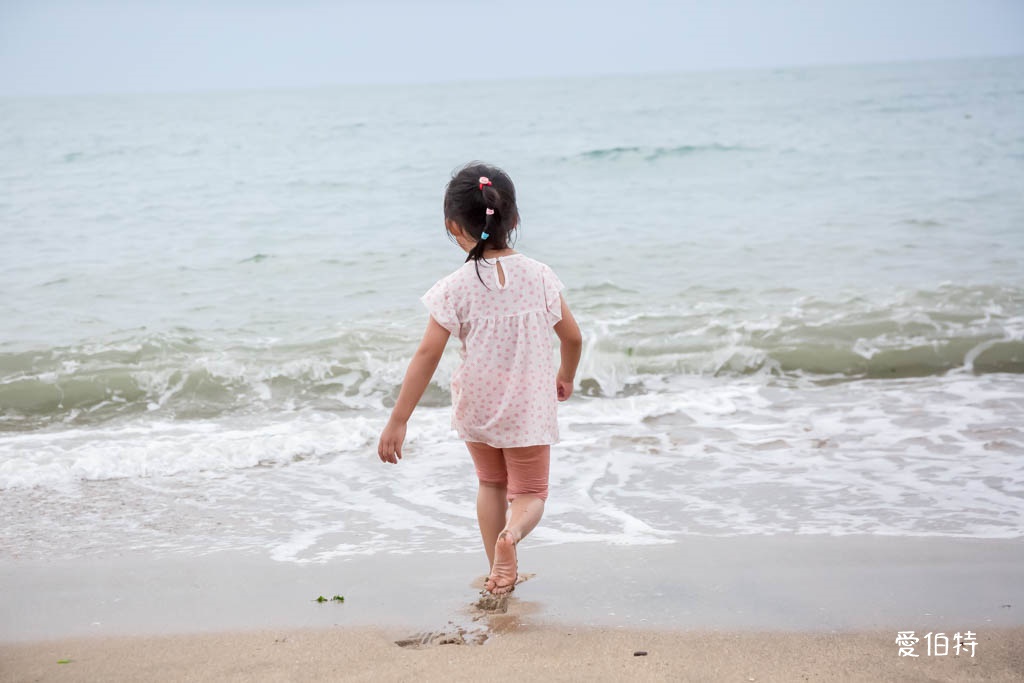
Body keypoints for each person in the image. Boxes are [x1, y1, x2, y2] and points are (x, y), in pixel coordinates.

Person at [377, 161, 583, 596]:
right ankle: (512, 537)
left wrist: (399, 418)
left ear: (454, 227)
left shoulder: (454, 287)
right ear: (515, 220)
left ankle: (496, 570)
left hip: (479, 406)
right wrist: (565, 376)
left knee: (491, 484)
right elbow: (573, 337)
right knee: (530, 493)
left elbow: (427, 353)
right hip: (528, 409)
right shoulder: (541, 276)